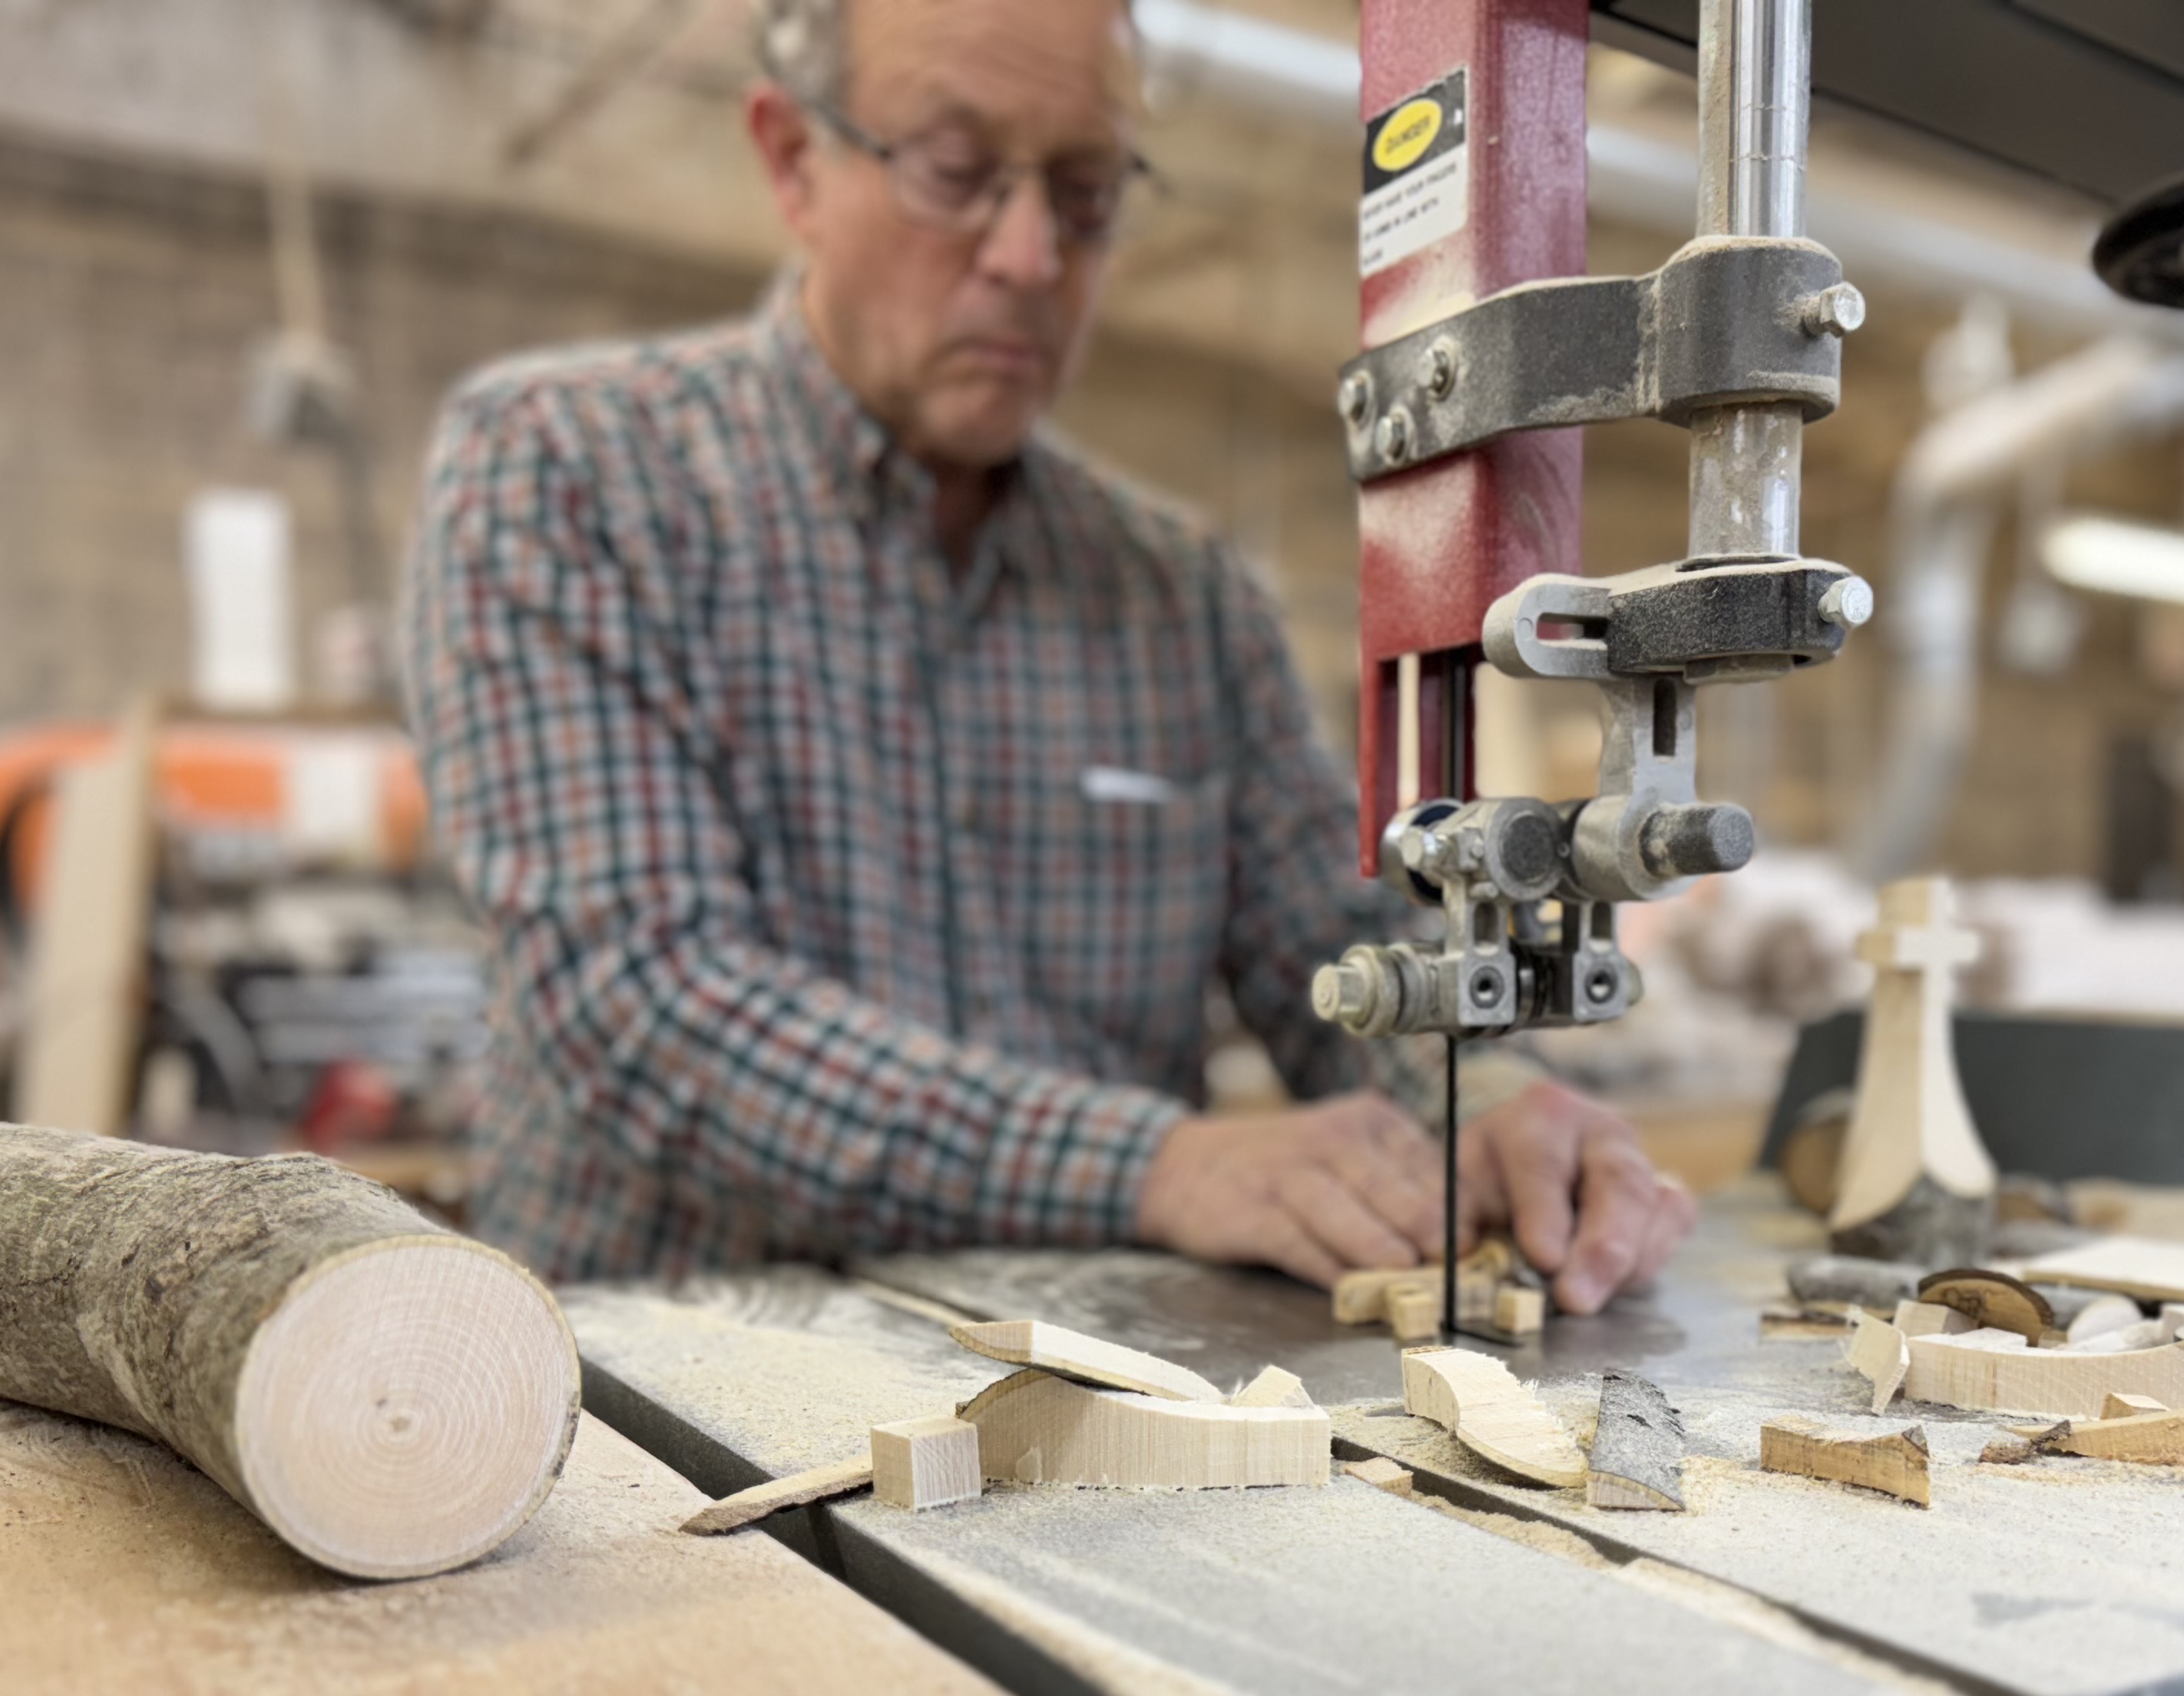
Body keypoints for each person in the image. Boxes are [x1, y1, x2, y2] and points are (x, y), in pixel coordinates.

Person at [402, 0, 1697, 1310]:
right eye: (955, 175)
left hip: (1087, 1407)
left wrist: (1489, 1095)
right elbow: (645, 1002)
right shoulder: (569, 478)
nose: (1029, 257)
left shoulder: (1181, 598)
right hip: (658, 1418)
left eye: (1084, 194)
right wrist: (1161, 1166)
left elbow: (1337, 957)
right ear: (794, 157)